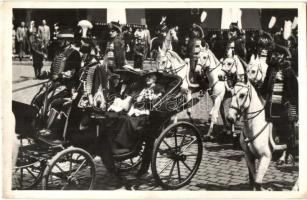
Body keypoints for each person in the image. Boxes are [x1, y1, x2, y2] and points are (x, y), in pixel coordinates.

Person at [38, 29, 82, 143]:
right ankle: (38, 123)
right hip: (55, 83)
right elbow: (53, 69)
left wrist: (63, 75)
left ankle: (48, 128)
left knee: (50, 100)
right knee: (39, 98)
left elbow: (73, 72)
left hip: (67, 86)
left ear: (68, 41)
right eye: (59, 39)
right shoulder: (58, 52)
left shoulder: (74, 53)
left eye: (61, 40)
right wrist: (47, 74)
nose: (59, 42)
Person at [260, 43, 298, 164]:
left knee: (286, 131)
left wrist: (293, 107)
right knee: (272, 129)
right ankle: (275, 151)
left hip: (284, 107)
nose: (274, 56)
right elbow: (265, 86)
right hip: (271, 106)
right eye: (274, 54)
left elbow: (294, 91)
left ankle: (288, 154)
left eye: (277, 54)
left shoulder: (288, 71)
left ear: (282, 56)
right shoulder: (271, 69)